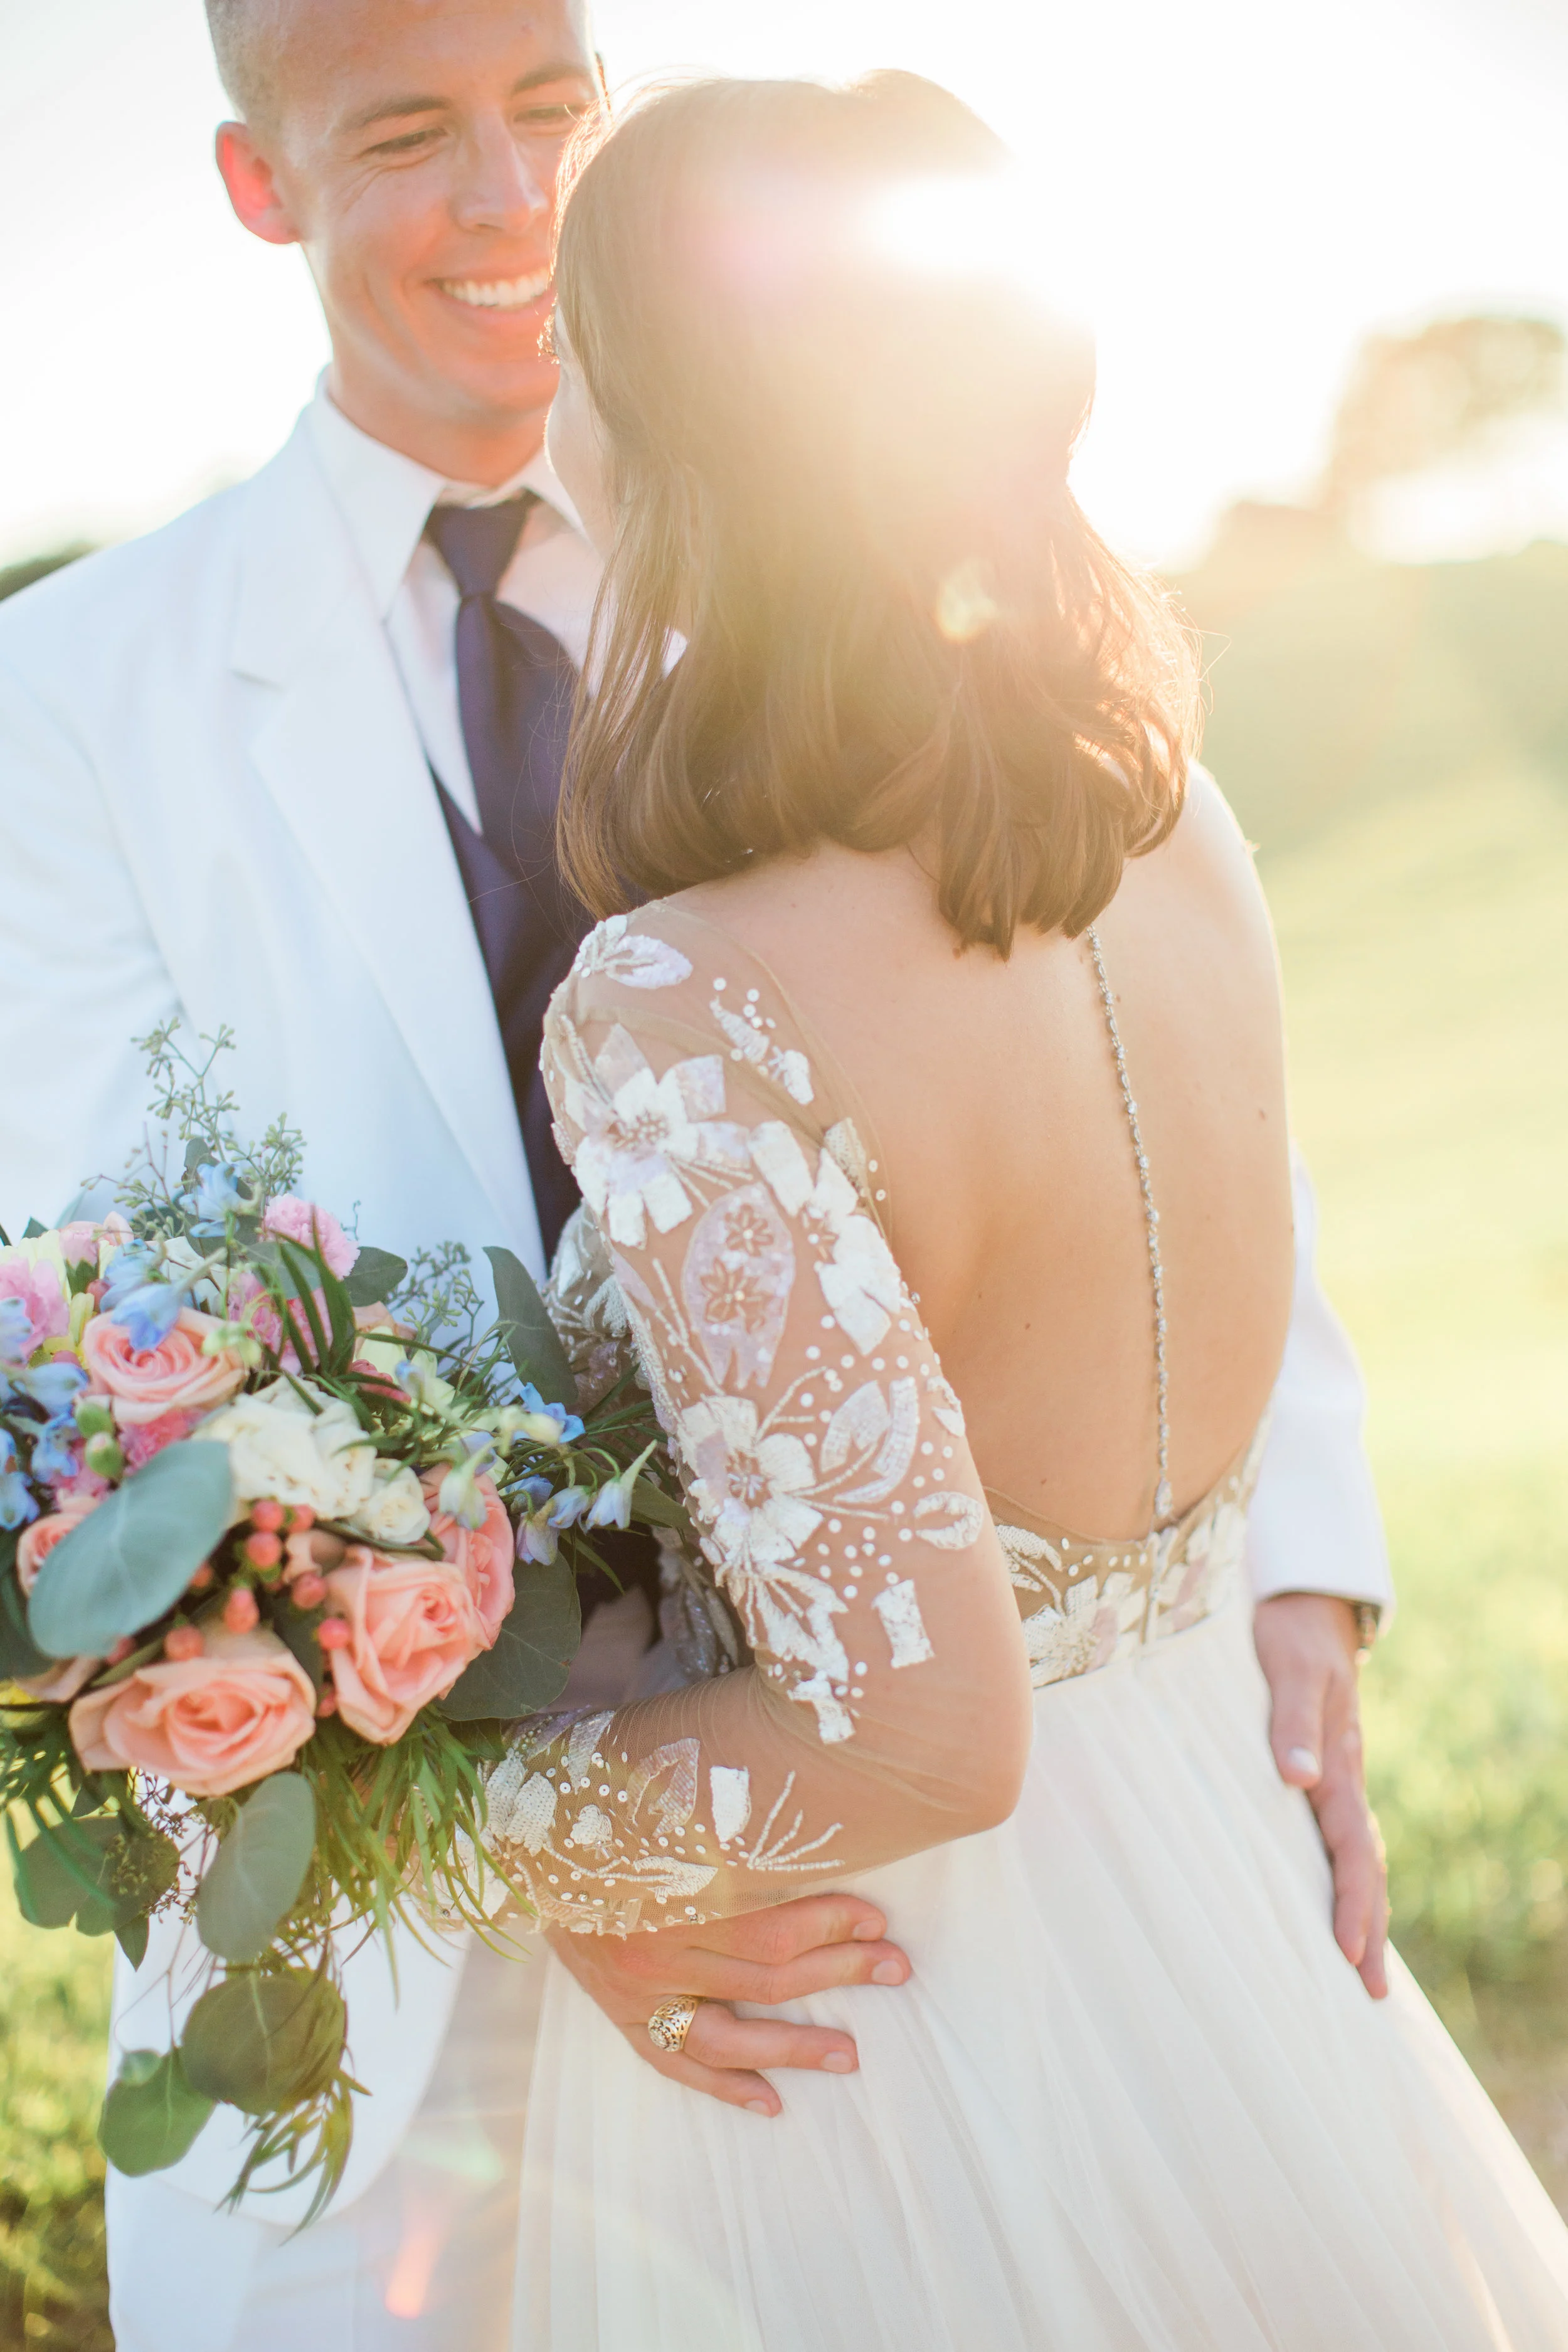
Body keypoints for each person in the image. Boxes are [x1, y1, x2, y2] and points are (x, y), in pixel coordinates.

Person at [0, 3, 1388, 2343]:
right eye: (410, 136)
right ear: (260, 179)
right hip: (404, 1971)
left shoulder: (1006, 752)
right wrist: (537, 1846)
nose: (512, 200)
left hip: (946, 1888)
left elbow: (1183, 1133)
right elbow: (106, 1340)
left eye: (555, 114)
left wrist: (1292, 1567)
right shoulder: (66, 699)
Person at [467, 71, 1568, 2349]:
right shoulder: (1173, 829)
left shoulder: (682, 998)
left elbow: (920, 1736)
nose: (544, 386)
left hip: (893, 2023)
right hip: (1216, 1884)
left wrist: (452, 1830)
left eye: (576, 330)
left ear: (682, 429)